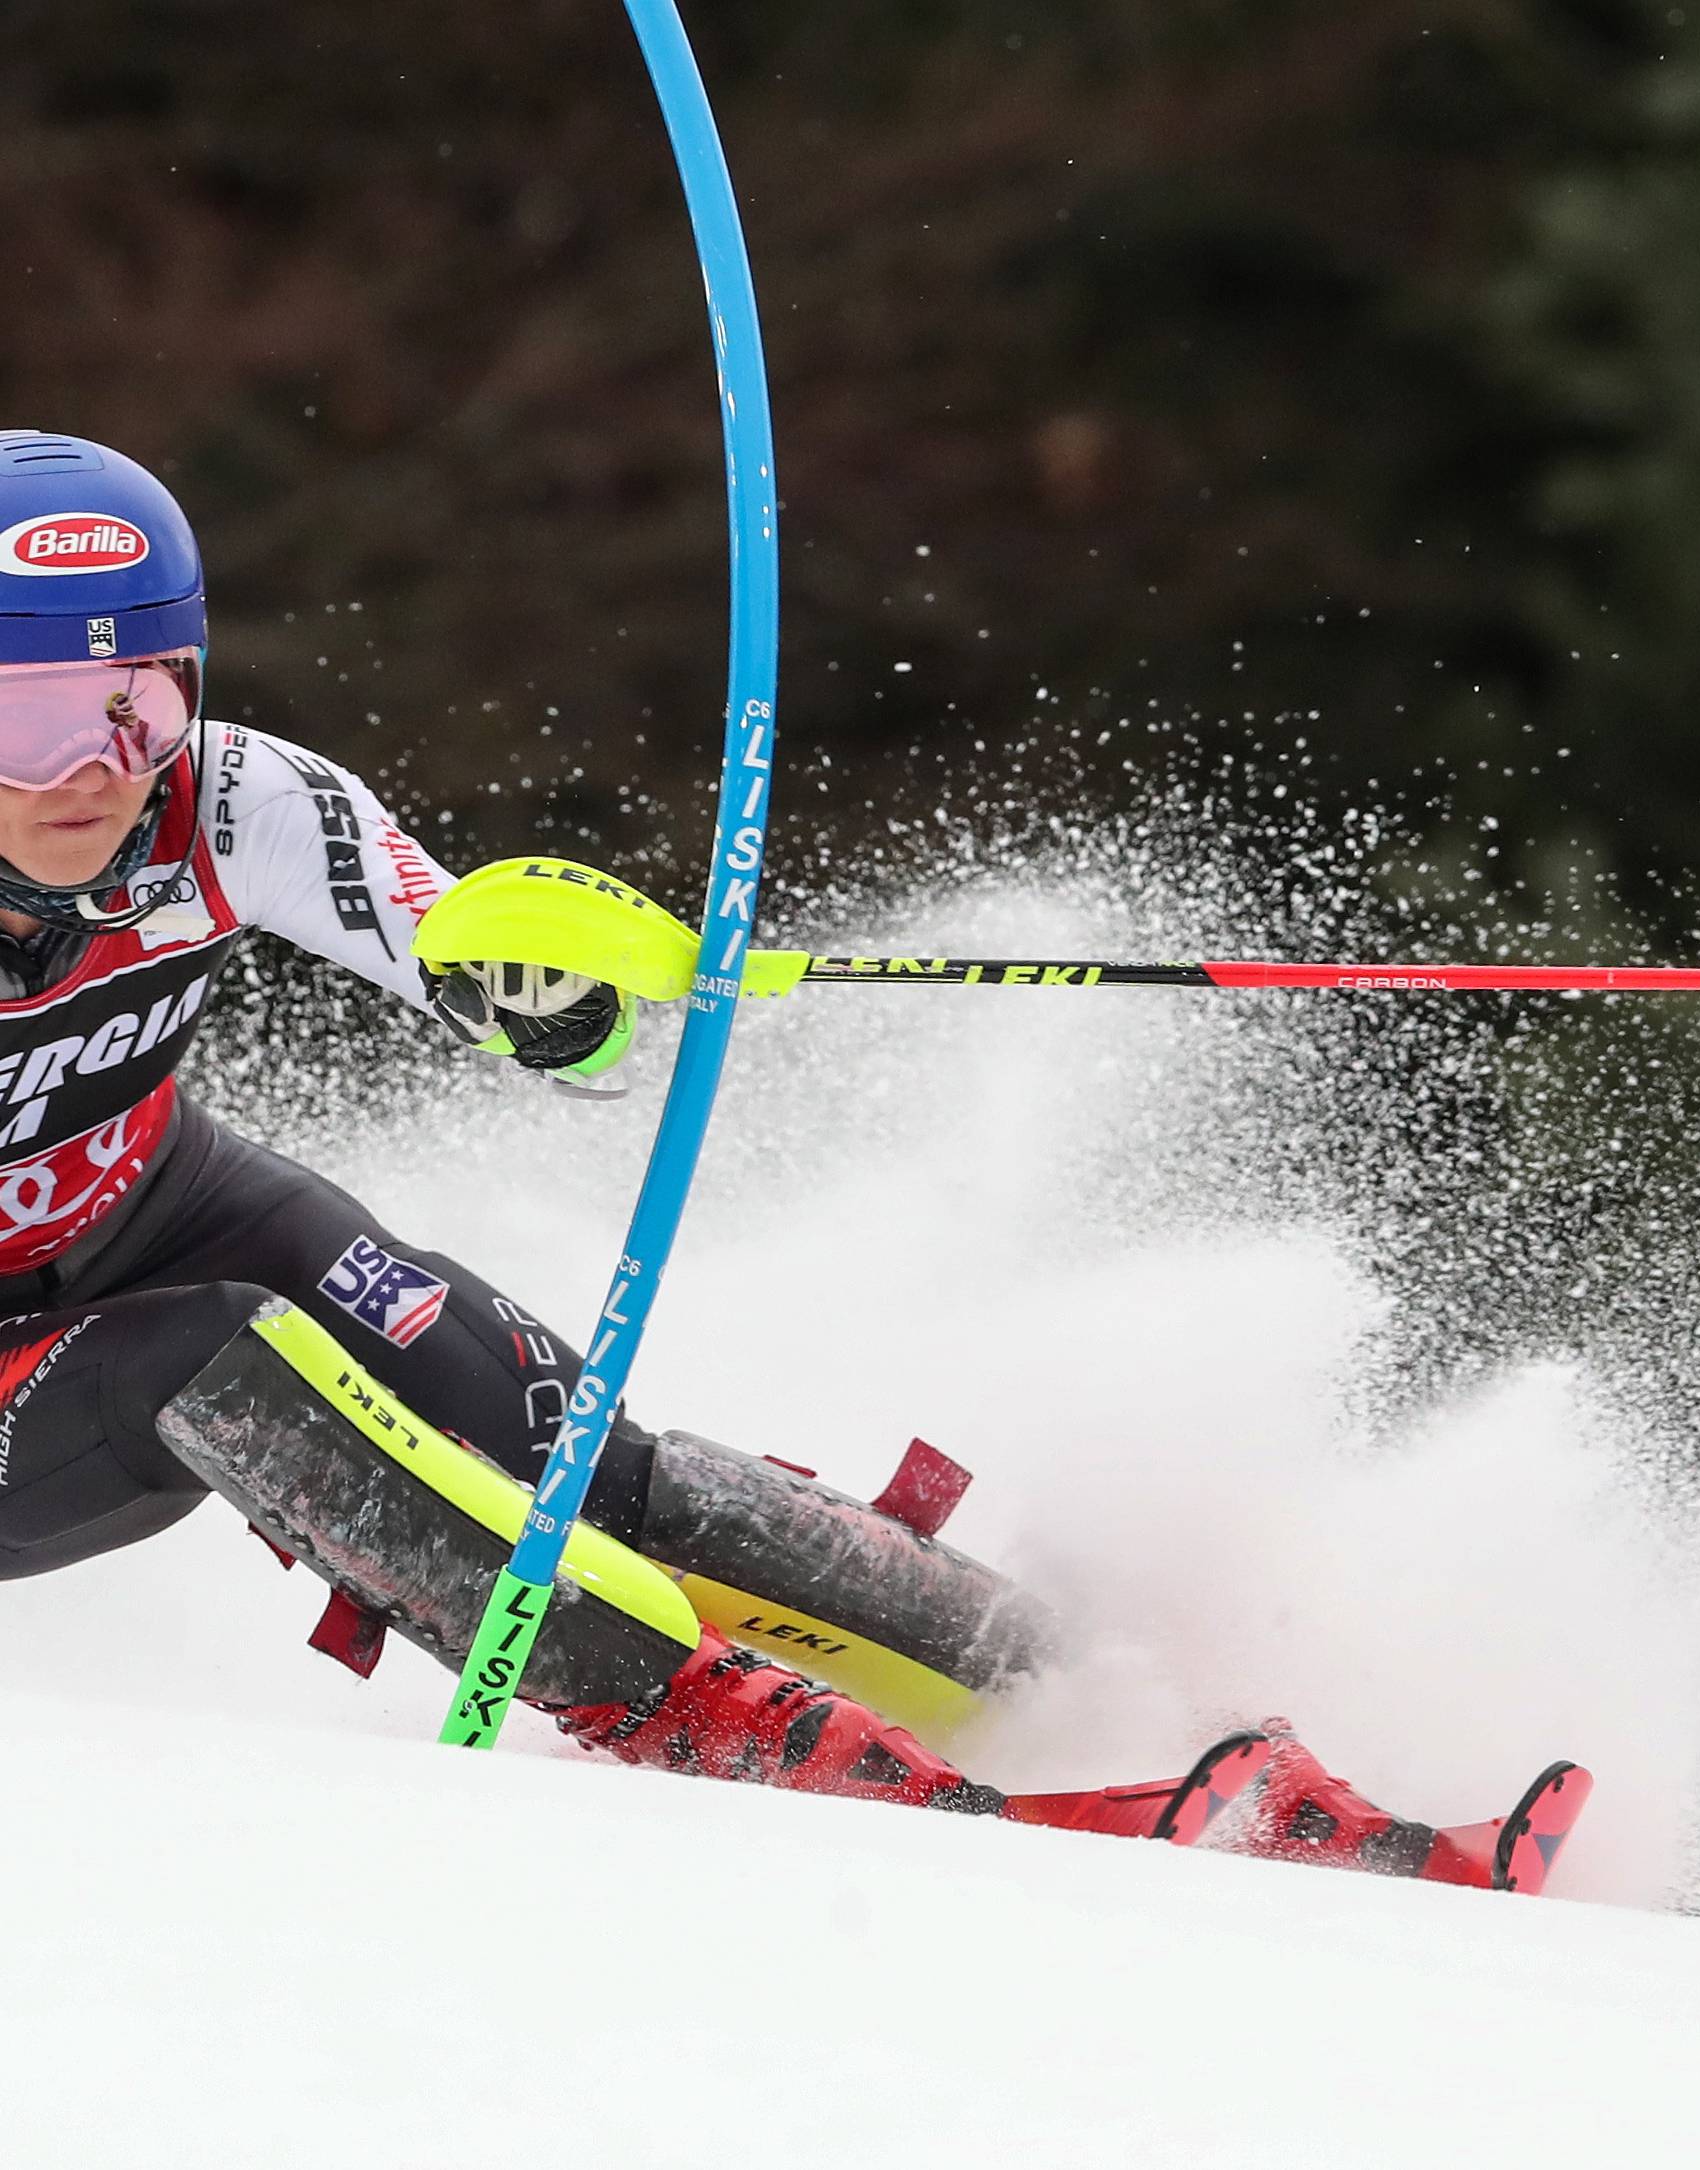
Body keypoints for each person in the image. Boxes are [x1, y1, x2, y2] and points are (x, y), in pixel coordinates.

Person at [0, 431, 1583, 1889]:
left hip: (144, 1200)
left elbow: (493, 970)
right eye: (35, 715)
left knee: (562, 1438)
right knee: (219, 1360)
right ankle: (709, 1717)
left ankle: (1102, 1696)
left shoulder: (229, 798)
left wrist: (558, 999)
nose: (96, 769)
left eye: (139, 698)